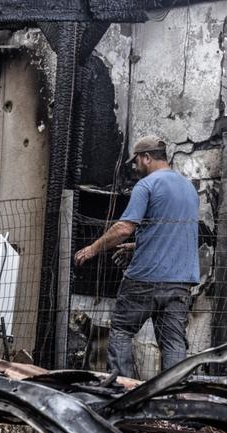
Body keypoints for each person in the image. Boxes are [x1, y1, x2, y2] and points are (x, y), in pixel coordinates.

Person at [74, 136, 199, 378]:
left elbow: (123, 228)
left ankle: (122, 390)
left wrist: (92, 249)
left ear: (147, 158)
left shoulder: (147, 185)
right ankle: (173, 396)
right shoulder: (189, 188)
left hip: (145, 279)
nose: (134, 167)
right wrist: (136, 246)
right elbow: (168, 231)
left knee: (121, 329)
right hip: (180, 282)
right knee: (173, 343)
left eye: (136, 161)